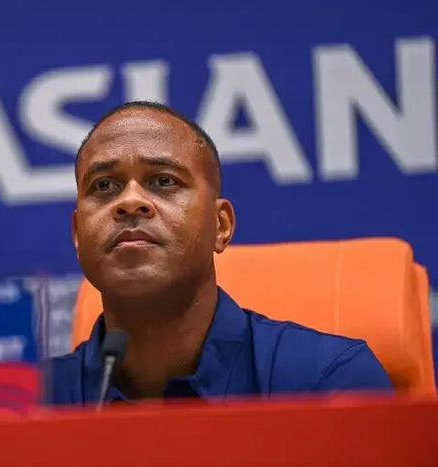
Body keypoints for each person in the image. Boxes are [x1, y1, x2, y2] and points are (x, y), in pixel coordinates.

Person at [47, 101, 392, 405]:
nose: (130, 201)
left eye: (164, 181)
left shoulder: (326, 382)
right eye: (104, 185)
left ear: (221, 225)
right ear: (78, 235)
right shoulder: (34, 407)